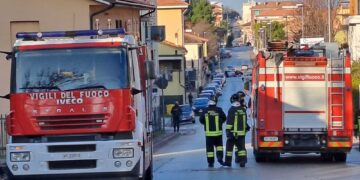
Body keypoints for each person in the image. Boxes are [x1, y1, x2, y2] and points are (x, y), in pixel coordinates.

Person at [224, 93, 250, 167]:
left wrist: (228, 131)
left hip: (233, 133)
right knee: (241, 148)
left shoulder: (231, 109)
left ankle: (228, 162)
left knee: (229, 148)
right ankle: (243, 161)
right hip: (241, 133)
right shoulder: (242, 109)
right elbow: (244, 121)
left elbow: (229, 121)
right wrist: (246, 127)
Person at [199, 99, 227, 167]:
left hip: (209, 134)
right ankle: (220, 159)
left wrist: (205, 124)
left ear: (209, 104)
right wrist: (220, 123)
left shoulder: (205, 110)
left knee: (210, 150)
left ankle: (210, 163)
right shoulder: (219, 110)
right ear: (215, 104)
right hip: (218, 134)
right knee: (219, 147)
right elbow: (224, 118)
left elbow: (201, 120)